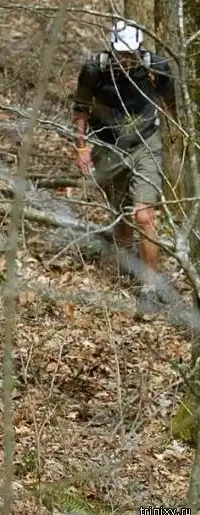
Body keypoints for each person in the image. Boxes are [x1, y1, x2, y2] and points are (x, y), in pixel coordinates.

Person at [72, 19, 176, 316]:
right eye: (120, 55)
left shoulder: (156, 68)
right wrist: (81, 148)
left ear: (139, 49)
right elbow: (81, 109)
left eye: (129, 55)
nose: (124, 61)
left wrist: (177, 148)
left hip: (145, 143)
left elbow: (171, 108)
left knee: (144, 216)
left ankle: (149, 288)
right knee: (122, 215)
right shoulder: (95, 70)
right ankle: (127, 252)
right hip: (108, 145)